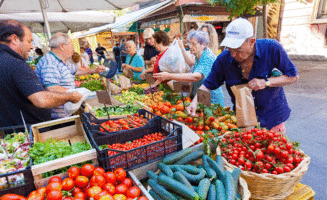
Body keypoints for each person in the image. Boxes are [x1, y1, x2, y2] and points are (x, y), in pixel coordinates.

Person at [187, 18, 299, 134]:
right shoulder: (224, 59)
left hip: (272, 119)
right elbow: (208, 84)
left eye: (238, 49)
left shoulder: (271, 48)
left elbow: (293, 76)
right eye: (230, 49)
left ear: (251, 42)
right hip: (243, 120)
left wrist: (266, 82)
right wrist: (194, 102)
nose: (234, 54)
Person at [0, 20, 82, 127]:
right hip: (29, 131)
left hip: (12, 132)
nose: (32, 47)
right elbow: (41, 100)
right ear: (14, 39)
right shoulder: (16, 64)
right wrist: (70, 96)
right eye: (29, 41)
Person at [35, 32, 105, 119]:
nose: (73, 49)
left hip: (64, 112)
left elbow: (75, 70)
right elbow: (52, 88)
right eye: (71, 45)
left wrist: (94, 70)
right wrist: (73, 93)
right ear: (62, 46)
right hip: (57, 117)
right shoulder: (50, 63)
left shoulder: (61, 60)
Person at [153, 31, 224, 106]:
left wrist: (169, 76)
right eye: (190, 43)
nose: (190, 46)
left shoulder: (207, 56)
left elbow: (195, 77)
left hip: (211, 100)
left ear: (203, 45)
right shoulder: (198, 56)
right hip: (201, 97)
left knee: (209, 116)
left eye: (193, 44)